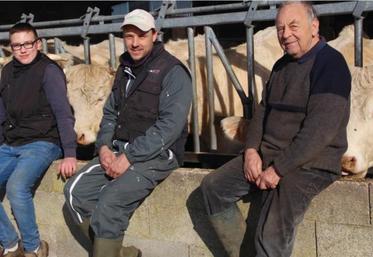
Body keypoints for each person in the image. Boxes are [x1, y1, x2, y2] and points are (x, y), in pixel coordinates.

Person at [201, 1, 351, 257]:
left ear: (314, 26)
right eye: (280, 28)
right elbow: (263, 111)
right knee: (213, 189)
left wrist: (278, 169)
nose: (285, 34)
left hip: (310, 163)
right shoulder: (282, 66)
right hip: (270, 155)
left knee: (270, 233)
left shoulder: (331, 65)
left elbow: (319, 131)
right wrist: (250, 150)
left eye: (294, 26)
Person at [63, 9, 192, 257]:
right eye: (129, 35)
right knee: (74, 192)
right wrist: (103, 147)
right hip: (120, 147)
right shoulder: (124, 69)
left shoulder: (172, 71)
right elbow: (110, 113)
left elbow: (169, 127)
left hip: (160, 153)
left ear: (154, 35)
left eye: (141, 36)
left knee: (110, 204)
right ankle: (117, 253)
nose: (134, 42)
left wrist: (129, 157)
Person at [0, 23, 77, 257]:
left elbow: (63, 113)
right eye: (17, 45)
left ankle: (34, 248)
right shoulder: (7, 71)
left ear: (38, 44)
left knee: (16, 188)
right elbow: (2, 112)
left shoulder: (49, 71)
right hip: (11, 142)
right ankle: (11, 244)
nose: (22, 50)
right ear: (11, 48)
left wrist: (70, 153)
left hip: (43, 142)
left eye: (27, 44)